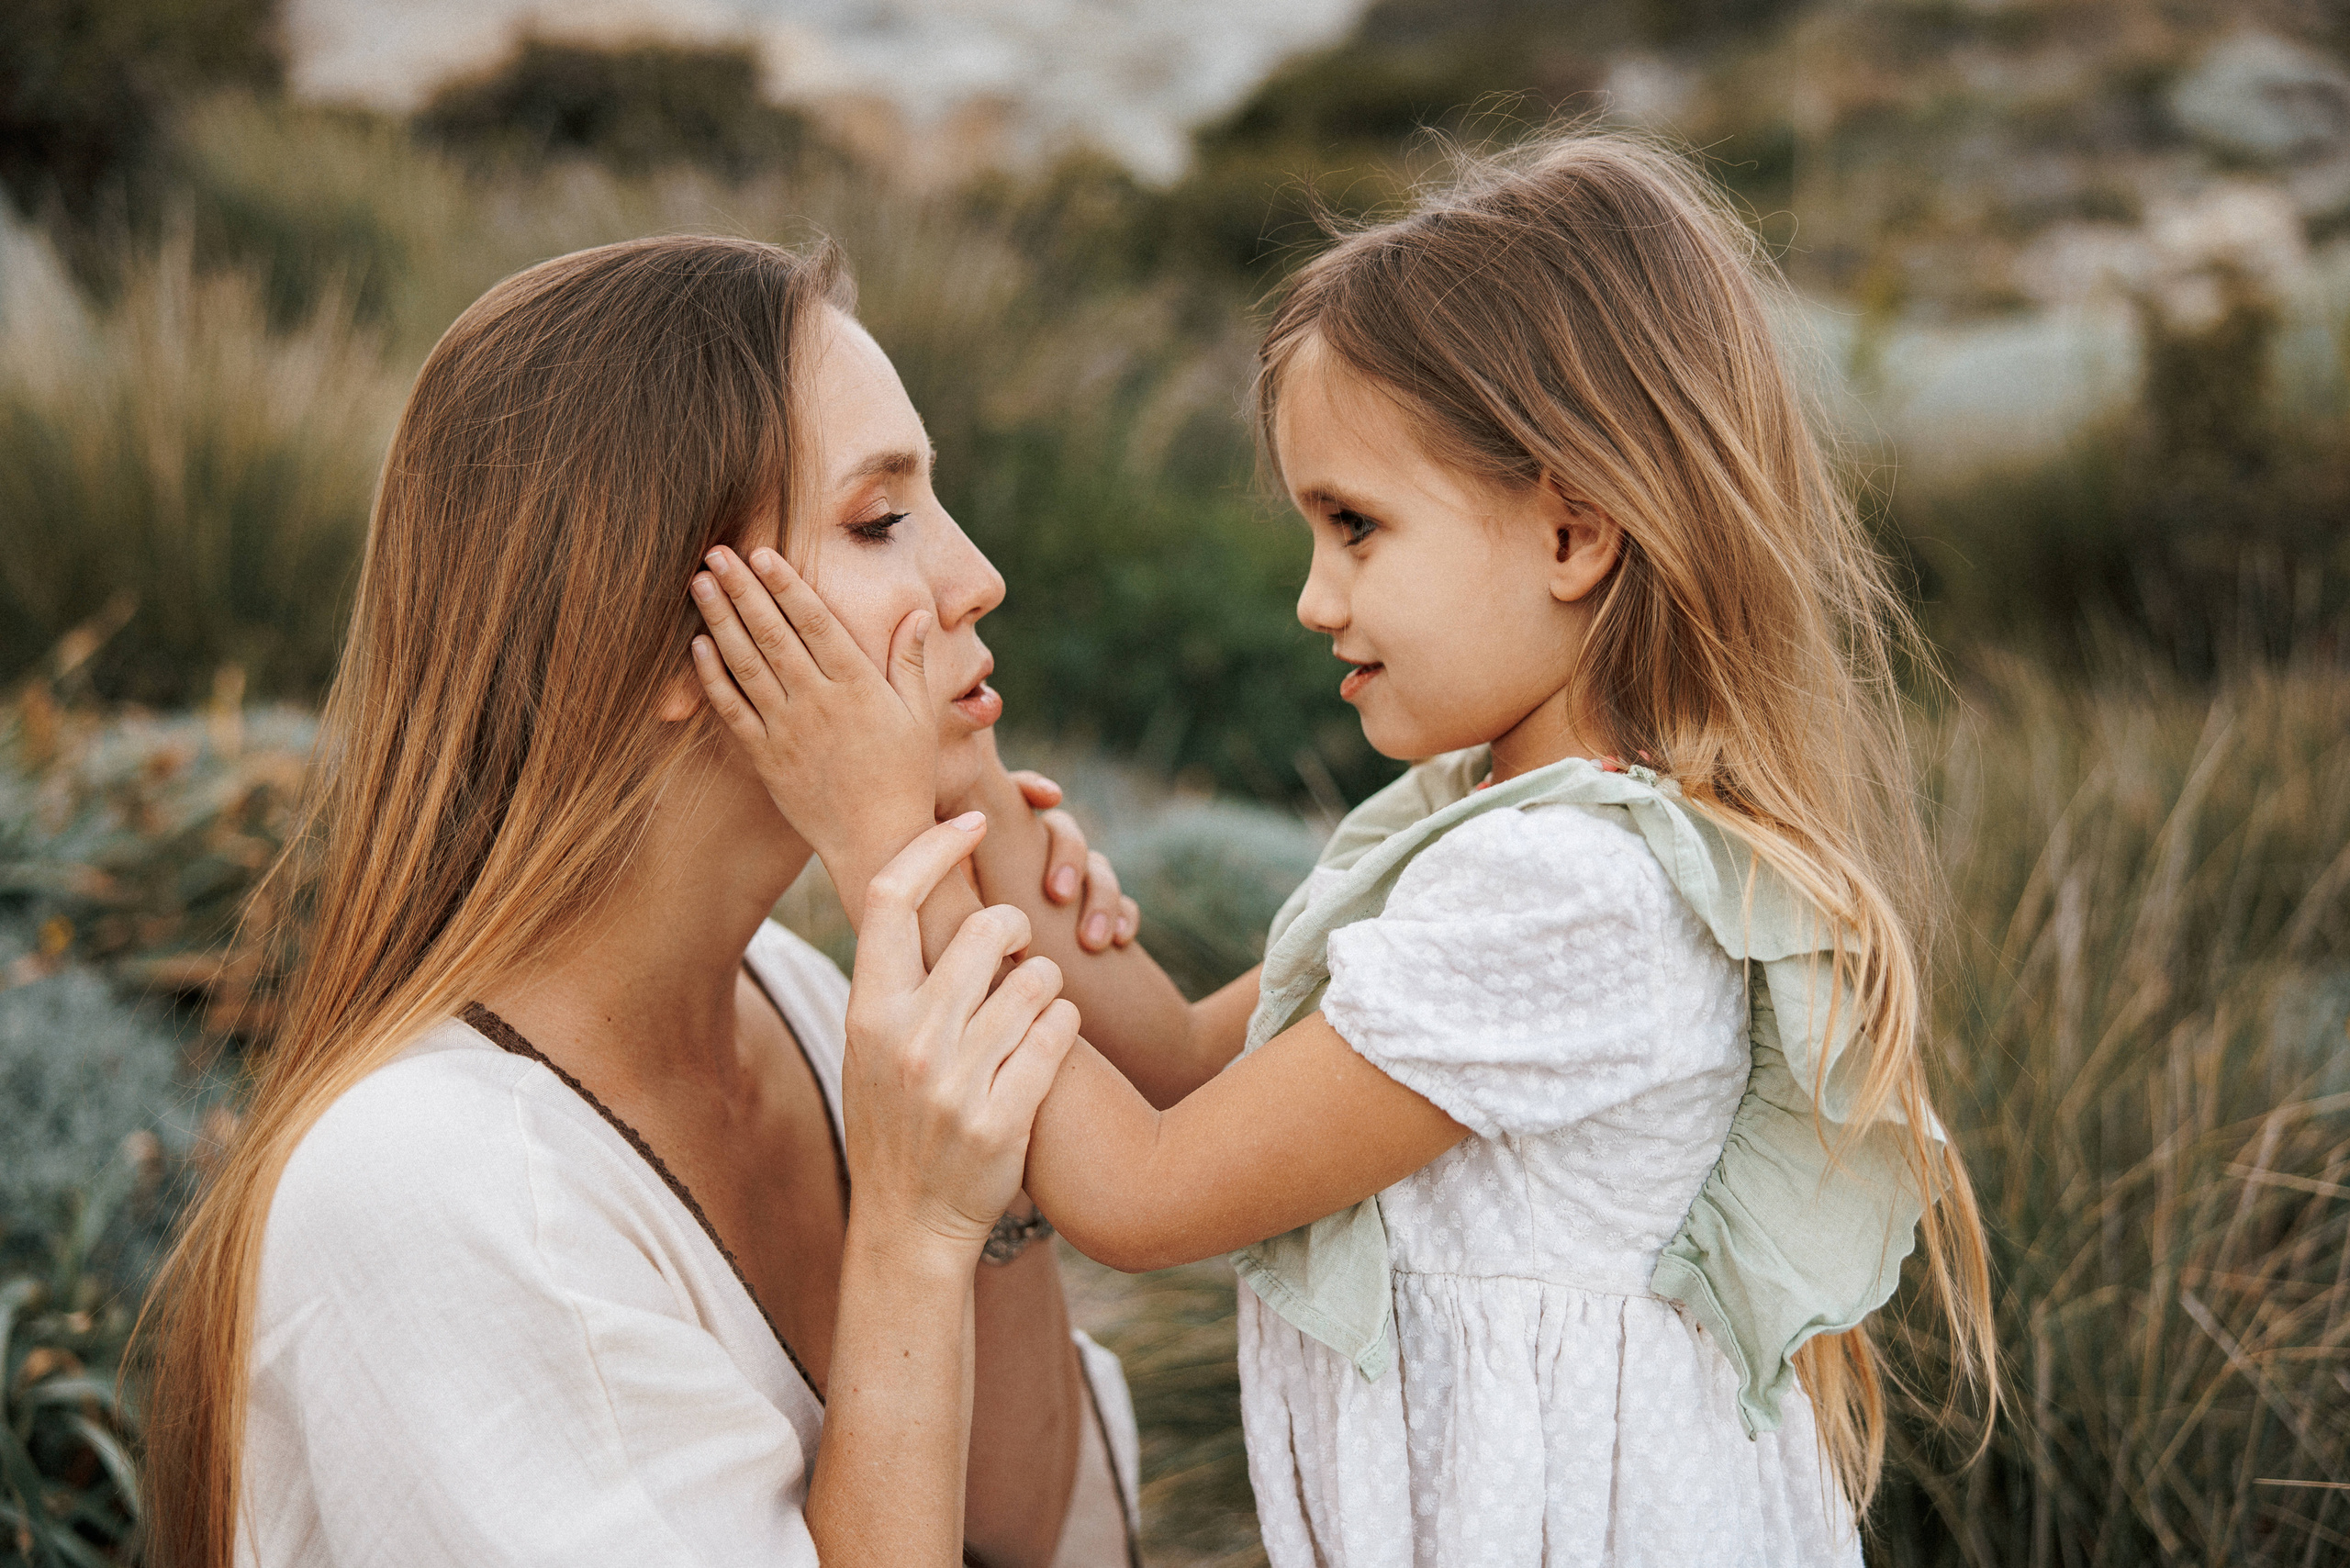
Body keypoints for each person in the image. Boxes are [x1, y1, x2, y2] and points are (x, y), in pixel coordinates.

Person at [686, 130, 1999, 1568]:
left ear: (1574, 532)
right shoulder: (1470, 820)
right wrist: (967, 787)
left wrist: (883, 842)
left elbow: (1139, 1191)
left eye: (1357, 529)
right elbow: (1181, 1066)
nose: (1316, 600)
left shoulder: (1579, 895)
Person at [137, 235, 1151, 1568]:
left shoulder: (801, 999)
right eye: (879, 519)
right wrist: (912, 1228)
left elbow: (1015, 1530)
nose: (973, 577)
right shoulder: (438, 1194)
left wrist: (976, 983)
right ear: (664, 630)